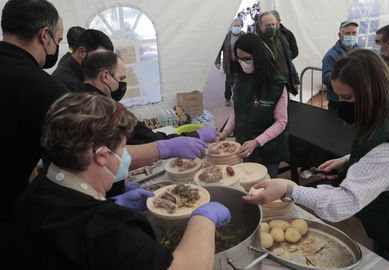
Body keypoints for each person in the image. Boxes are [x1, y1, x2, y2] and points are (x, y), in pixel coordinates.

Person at [245, 49, 389, 270]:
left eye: (347, 97)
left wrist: (288, 189)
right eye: (336, 96)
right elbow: (379, 155)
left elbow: (341, 205)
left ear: (370, 93)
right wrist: (349, 160)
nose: (340, 103)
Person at [4, 93, 231, 270]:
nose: (126, 155)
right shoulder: (110, 230)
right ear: (102, 155)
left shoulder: (34, 192)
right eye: (122, 147)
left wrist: (112, 204)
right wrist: (204, 218)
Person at [81, 50, 217, 196]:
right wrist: (193, 136)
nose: (123, 85)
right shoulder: (104, 109)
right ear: (105, 75)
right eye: (121, 78)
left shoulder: (78, 98)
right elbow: (149, 139)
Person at [0, 0, 66, 231]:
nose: (56, 48)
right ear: (45, 36)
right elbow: (77, 159)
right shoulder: (45, 89)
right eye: (58, 41)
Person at [218, 33, 289, 178]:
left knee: (264, 186)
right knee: (245, 182)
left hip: (268, 148)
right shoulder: (241, 79)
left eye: (247, 59)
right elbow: (238, 109)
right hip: (244, 144)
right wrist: (225, 132)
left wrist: (257, 141)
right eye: (239, 59)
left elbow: (281, 122)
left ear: (258, 56)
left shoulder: (276, 84)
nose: (243, 63)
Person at [256, 11, 300, 95]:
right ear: (260, 26)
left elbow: (288, 60)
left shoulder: (281, 37)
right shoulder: (256, 42)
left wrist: (295, 80)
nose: (271, 27)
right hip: (269, 88)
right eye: (268, 25)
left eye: (273, 24)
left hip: (285, 84)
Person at [322, 19, 359, 111]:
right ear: (339, 35)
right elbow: (327, 78)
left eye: (354, 33)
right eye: (347, 33)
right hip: (338, 102)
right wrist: (347, 80)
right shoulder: (331, 55)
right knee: (336, 125)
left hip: (357, 100)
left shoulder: (360, 51)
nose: (351, 36)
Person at [215, 18, 245, 106]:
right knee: (229, 82)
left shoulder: (244, 35)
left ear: (241, 26)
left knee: (239, 82)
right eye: (234, 25)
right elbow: (219, 49)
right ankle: (227, 98)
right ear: (231, 26)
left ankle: (237, 98)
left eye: (238, 25)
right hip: (229, 62)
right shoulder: (226, 36)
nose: (236, 27)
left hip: (240, 63)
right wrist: (217, 61)